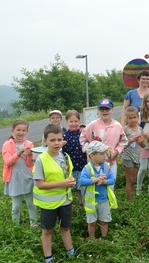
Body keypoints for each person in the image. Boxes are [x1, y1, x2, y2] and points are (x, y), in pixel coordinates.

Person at [33, 124, 76, 263]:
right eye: (52, 140)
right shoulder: (41, 160)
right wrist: (63, 183)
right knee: (47, 231)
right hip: (48, 203)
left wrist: (71, 180)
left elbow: (67, 174)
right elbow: (40, 184)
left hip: (65, 200)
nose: (56, 143)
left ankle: (71, 252)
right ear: (45, 141)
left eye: (59, 139)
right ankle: (48, 257)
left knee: (65, 227)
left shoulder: (65, 156)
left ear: (63, 140)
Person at [80, 98, 127, 191]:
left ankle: (108, 204)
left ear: (112, 110)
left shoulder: (117, 126)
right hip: (94, 163)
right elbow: (82, 138)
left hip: (111, 162)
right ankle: (93, 204)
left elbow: (123, 141)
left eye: (107, 109)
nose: (105, 111)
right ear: (97, 111)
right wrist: (89, 150)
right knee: (94, 186)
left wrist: (116, 151)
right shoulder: (92, 124)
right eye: (102, 109)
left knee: (109, 185)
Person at [2, 119, 37, 227]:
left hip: (27, 175)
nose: (21, 132)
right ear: (13, 130)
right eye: (18, 130)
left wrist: (30, 155)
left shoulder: (29, 144)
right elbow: (8, 162)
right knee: (16, 205)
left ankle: (34, 224)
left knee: (31, 203)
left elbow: (31, 163)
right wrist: (19, 153)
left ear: (27, 132)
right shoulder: (7, 144)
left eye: (23, 130)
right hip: (14, 177)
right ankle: (15, 226)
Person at [80, 141, 117, 239]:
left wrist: (105, 182)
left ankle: (104, 239)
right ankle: (92, 240)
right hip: (91, 201)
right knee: (91, 222)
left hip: (104, 199)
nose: (104, 156)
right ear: (92, 156)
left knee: (104, 221)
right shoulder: (87, 168)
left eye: (105, 153)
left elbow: (113, 180)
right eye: (101, 154)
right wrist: (95, 180)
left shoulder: (106, 166)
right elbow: (82, 181)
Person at [62, 110, 87, 205]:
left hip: (82, 164)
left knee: (82, 186)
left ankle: (83, 203)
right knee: (70, 186)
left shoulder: (83, 134)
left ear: (79, 121)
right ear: (66, 122)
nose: (74, 123)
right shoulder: (64, 136)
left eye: (76, 121)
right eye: (71, 121)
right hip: (69, 166)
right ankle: (69, 204)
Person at [121, 106, 145, 201]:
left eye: (134, 117)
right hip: (128, 157)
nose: (132, 120)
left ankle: (131, 198)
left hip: (137, 157)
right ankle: (130, 200)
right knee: (129, 180)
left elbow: (143, 145)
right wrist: (131, 140)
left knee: (133, 180)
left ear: (137, 117)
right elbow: (122, 145)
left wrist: (141, 141)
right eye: (130, 118)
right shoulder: (125, 129)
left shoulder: (140, 129)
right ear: (126, 119)